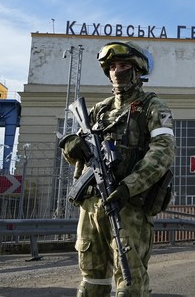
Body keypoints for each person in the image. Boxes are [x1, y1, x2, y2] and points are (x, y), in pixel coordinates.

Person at [59, 41, 175, 297]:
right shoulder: (99, 110)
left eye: (123, 65)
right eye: (112, 66)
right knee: (91, 282)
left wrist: (128, 186)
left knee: (130, 284)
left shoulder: (152, 107)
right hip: (92, 205)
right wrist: (71, 146)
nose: (116, 71)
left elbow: (162, 152)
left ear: (136, 71)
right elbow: (72, 152)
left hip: (128, 205)